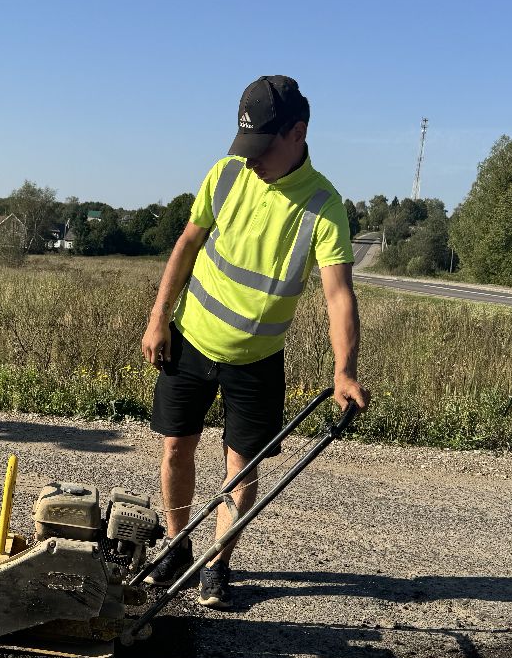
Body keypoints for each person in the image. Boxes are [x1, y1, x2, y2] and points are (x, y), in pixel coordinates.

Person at [140, 75, 368, 609]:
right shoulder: (226, 174)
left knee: (241, 470)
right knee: (175, 447)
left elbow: (338, 295)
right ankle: (177, 546)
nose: (252, 159)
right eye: (246, 146)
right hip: (191, 341)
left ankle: (216, 564)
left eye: (262, 148)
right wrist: (158, 318)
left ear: (297, 133)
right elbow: (187, 244)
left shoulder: (323, 206)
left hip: (257, 362)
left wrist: (345, 370)